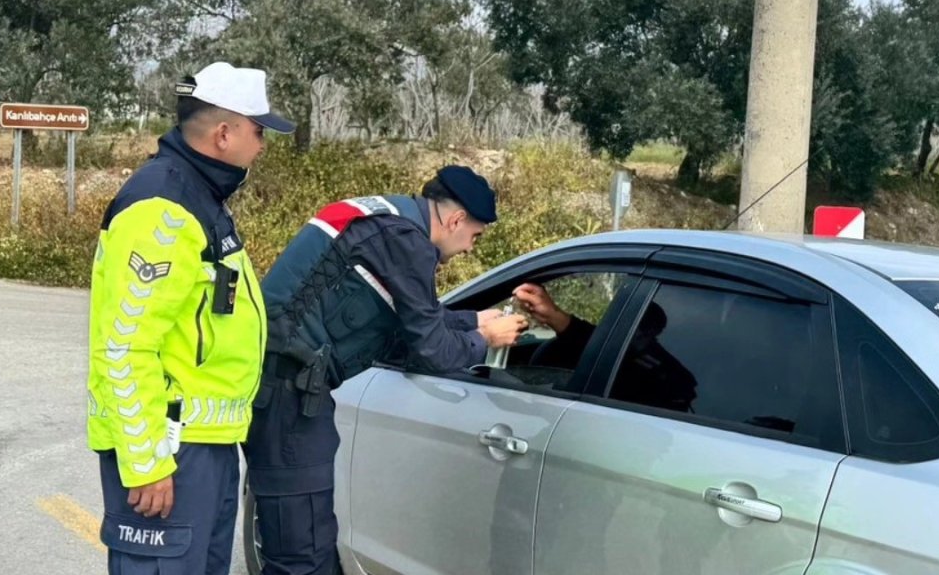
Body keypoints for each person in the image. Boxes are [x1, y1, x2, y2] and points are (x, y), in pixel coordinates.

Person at [245, 165, 529, 574]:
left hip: (281, 387)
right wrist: (486, 339)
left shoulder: (387, 219)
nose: (470, 248)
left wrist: (473, 321)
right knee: (301, 554)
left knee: (308, 544)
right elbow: (432, 349)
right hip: (290, 399)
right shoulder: (406, 242)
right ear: (455, 220)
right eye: (475, 236)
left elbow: (416, 316)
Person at [87, 62, 292, 574]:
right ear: (225, 134)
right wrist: (147, 462)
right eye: (258, 131)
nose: (262, 145)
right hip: (171, 452)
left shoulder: (200, 196)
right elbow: (125, 345)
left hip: (206, 448)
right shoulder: (163, 206)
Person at [513, 283, 697, 411]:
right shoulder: (609, 348)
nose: (636, 335)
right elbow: (586, 337)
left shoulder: (665, 371)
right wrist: (551, 314)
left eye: (644, 330)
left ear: (654, 332)